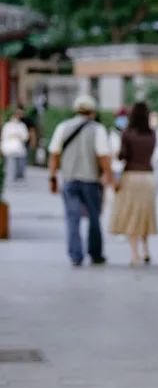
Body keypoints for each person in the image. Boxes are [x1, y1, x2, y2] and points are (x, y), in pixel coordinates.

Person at [48, 93, 113, 266]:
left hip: (69, 178)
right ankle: (95, 253)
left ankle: (75, 255)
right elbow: (103, 156)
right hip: (90, 179)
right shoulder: (97, 129)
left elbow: (54, 154)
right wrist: (109, 175)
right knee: (94, 217)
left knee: (72, 217)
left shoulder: (63, 127)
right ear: (92, 111)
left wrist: (52, 177)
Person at [109, 99, 158, 266]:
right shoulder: (152, 134)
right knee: (145, 215)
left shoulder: (127, 134)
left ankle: (134, 254)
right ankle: (146, 250)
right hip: (148, 177)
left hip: (131, 176)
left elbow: (123, 156)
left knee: (132, 215)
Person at [1, 110, 29, 184]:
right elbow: (4, 136)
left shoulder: (22, 125)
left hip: (19, 147)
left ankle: (18, 176)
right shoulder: (7, 125)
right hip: (8, 147)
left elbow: (25, 136)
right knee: (9, 163)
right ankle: (10, 176)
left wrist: (18, 136)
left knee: (20, 164)